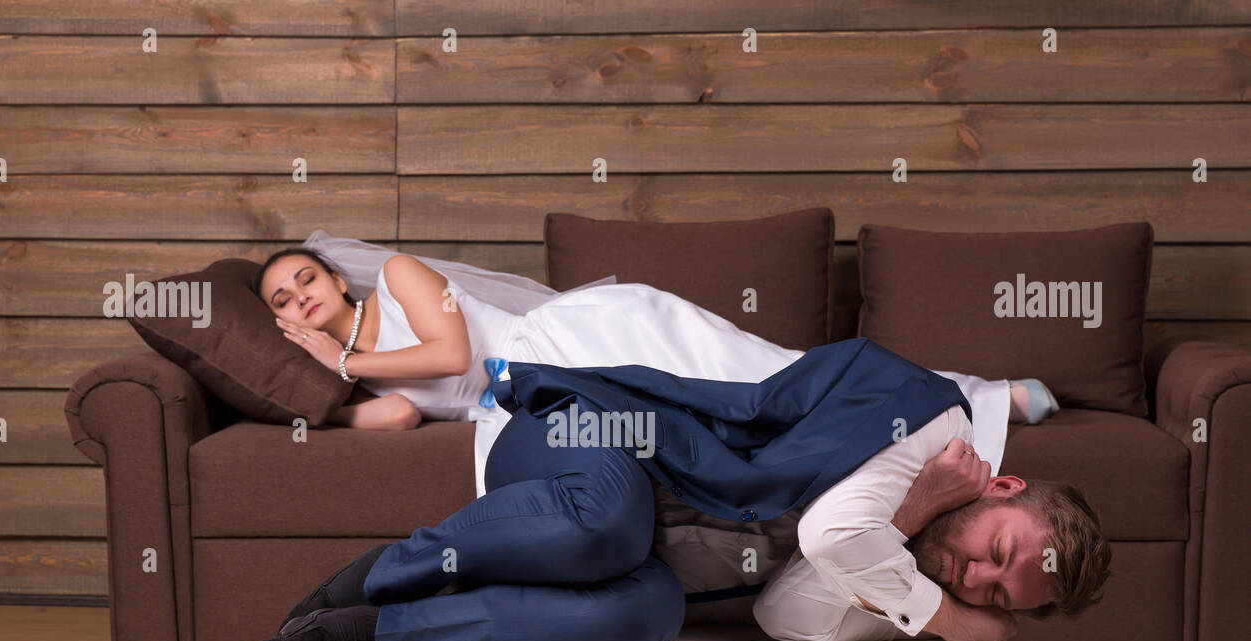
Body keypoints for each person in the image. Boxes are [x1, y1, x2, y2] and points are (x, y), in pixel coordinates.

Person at [232, 338, 1109, 641]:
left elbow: (785, 618)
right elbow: (835, 536)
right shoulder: (933, 427)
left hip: (655, 552)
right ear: (1000, 484)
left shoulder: (901, 571)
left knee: (640, 620)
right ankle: (375, 577)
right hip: (593, 438)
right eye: (997, 553)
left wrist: (910, 542)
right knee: (609, 525)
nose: (970, 579)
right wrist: (950, 618)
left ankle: (361, 632)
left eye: (996, 593)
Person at [254, 233, 1059, 495]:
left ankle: (977, 398)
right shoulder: (349, 364)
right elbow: (399, 415)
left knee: (770, 380)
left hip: (584, 341)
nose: (299, 302)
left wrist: (348, 360)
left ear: (334, 275)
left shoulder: (396, 280)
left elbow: (455, 352)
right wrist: (320, 392)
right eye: (282, 304)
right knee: (732, 436)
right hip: (540, 404)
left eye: (304, 282)